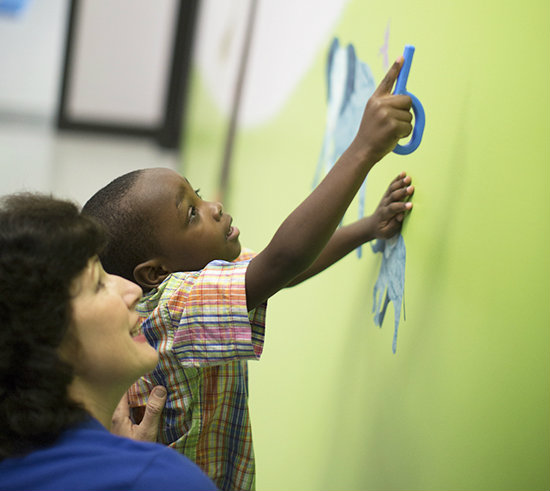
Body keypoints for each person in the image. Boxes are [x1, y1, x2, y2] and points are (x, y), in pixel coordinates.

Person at [82, 57, 415, 491]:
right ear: (156, 272)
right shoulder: (172, 307)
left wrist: (368, 227)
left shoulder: (197, 281)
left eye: (198, 195)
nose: (213, 208)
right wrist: (363, 149)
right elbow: (282, 261)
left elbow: (279, 272)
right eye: (191, 214)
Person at [0, 193, 218, 491]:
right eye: (99, 284)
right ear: (44, 338)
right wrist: (135, 468)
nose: (133, 291)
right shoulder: (162, 480)